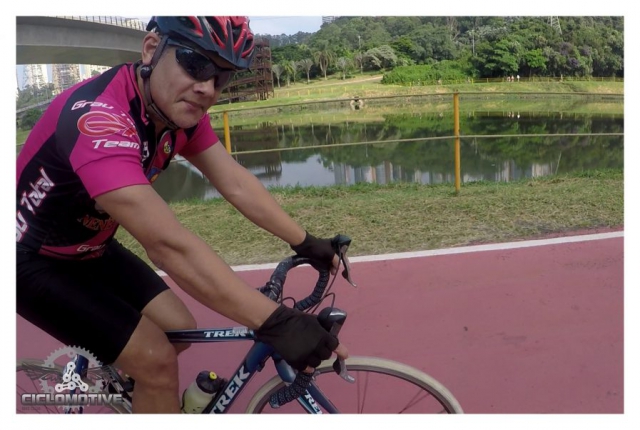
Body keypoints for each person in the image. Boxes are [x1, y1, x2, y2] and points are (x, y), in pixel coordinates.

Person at [16, 16, 348, 413]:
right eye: (195, 63)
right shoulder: (98, 119)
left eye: (221, 77)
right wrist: (277, 322)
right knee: (156, 361)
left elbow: (235, 183)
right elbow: (167, 245)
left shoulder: (175, 113)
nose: (207, 87)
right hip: (29, 261)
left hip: (92, 249)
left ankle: (132, 390)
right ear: (151, 50)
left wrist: (305, 241)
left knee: (180, 328)